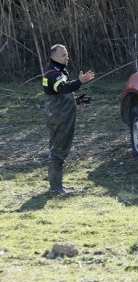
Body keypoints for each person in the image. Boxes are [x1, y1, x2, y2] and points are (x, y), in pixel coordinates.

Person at [42, 44, 95, 196]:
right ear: (54, 57)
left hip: (62, 117)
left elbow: (59, 94)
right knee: (58, 153)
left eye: (67, 54)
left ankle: (57, 187)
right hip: (59, 119)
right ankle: (56, 189)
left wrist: (76, 101)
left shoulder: (59, 72)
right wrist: (80, 81)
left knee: (59, 152)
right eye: (64, 55)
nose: (67, 57)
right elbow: (63, 88)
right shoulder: (51, 74)